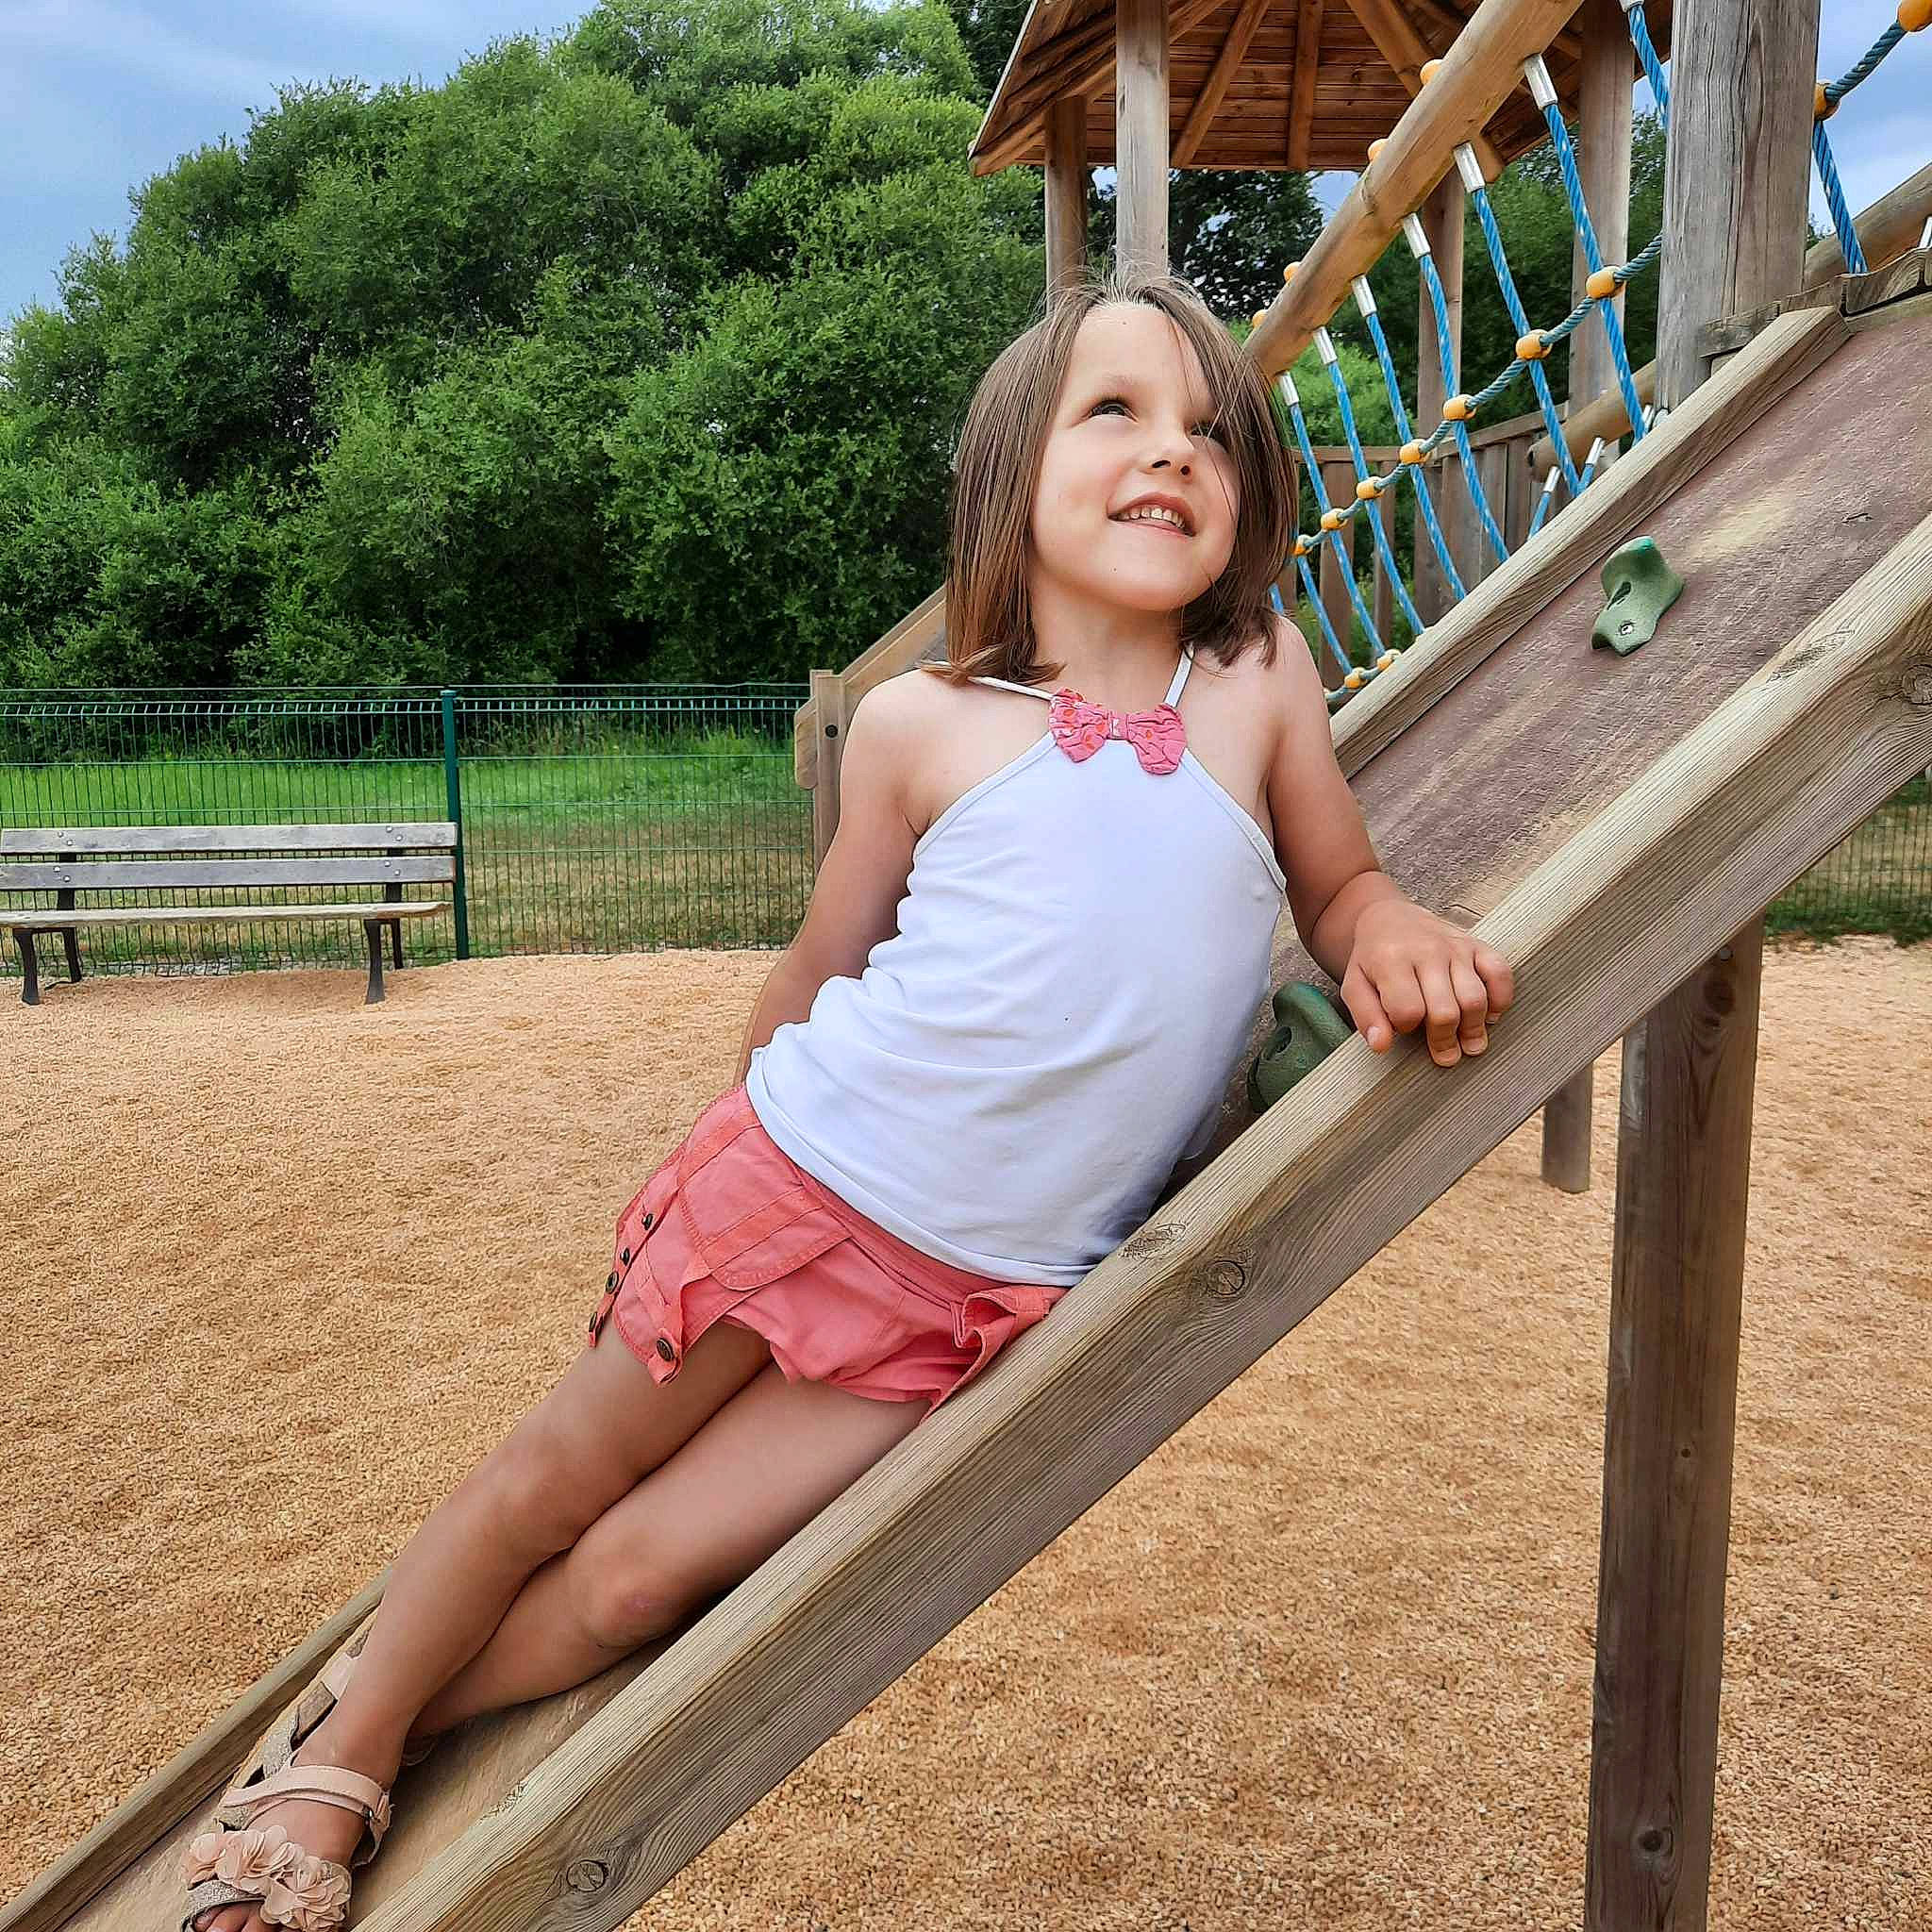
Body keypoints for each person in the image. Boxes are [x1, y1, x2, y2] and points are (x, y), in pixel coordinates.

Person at [180, 271, 1513, 1932]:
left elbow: (1341, 883)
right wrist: (724, 1176)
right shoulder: (921, 722)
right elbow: (822, 965)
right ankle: (347, 1758)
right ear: (1011, 474)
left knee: (641, 1579)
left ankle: (366, 1721)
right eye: (1117, 412)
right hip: (802, 1184)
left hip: (975, 1292)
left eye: (1210, 432)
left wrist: (1389, 933)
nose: (1172, 452)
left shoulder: (1255, 683)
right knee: (551, 1488)